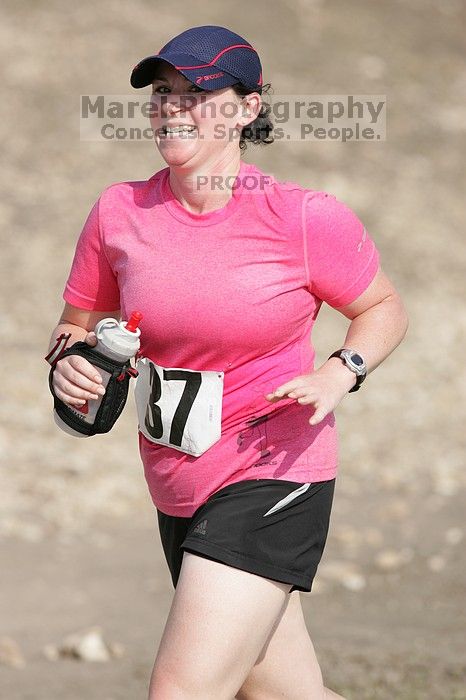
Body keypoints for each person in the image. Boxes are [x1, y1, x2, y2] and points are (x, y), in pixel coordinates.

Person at [46, 24, 408, 700]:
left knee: (181, 691)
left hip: (274, 476)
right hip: (180, 483)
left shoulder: (303, 218)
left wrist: (341, 369)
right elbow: (76, 327)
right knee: (281, 694)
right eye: (162, 94)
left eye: (198, 93)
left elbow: (385, 306)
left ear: (247, 108)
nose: (172, 108)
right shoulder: (118, 212)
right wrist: (74, 367)